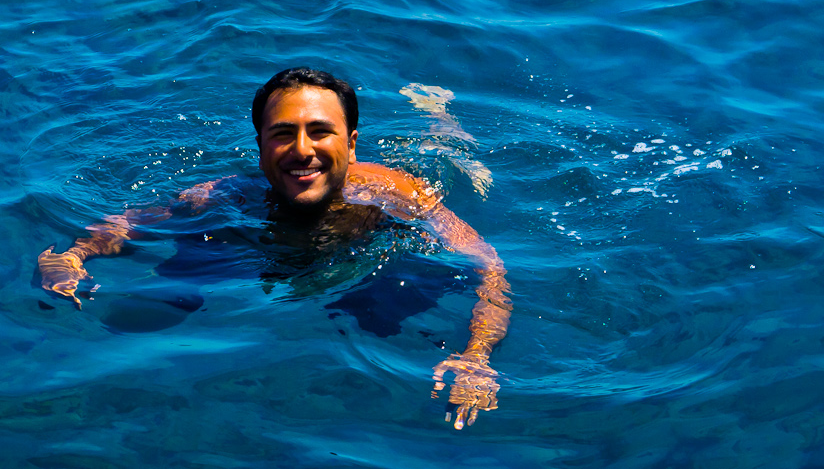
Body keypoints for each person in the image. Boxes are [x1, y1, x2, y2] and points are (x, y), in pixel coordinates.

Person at [38, 67, 512, 430]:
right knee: (156, 304)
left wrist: (477, 356)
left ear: (350, 145)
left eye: (320, 132)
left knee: (443, 165)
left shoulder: (395, 194)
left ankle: (438, 116)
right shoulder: (222, 196)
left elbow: (490, 266)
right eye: (284, 133)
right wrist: (70, 257)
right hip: (283, 251)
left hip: (367, 250)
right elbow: (127, 223)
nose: (302, 150)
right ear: (261, 146)